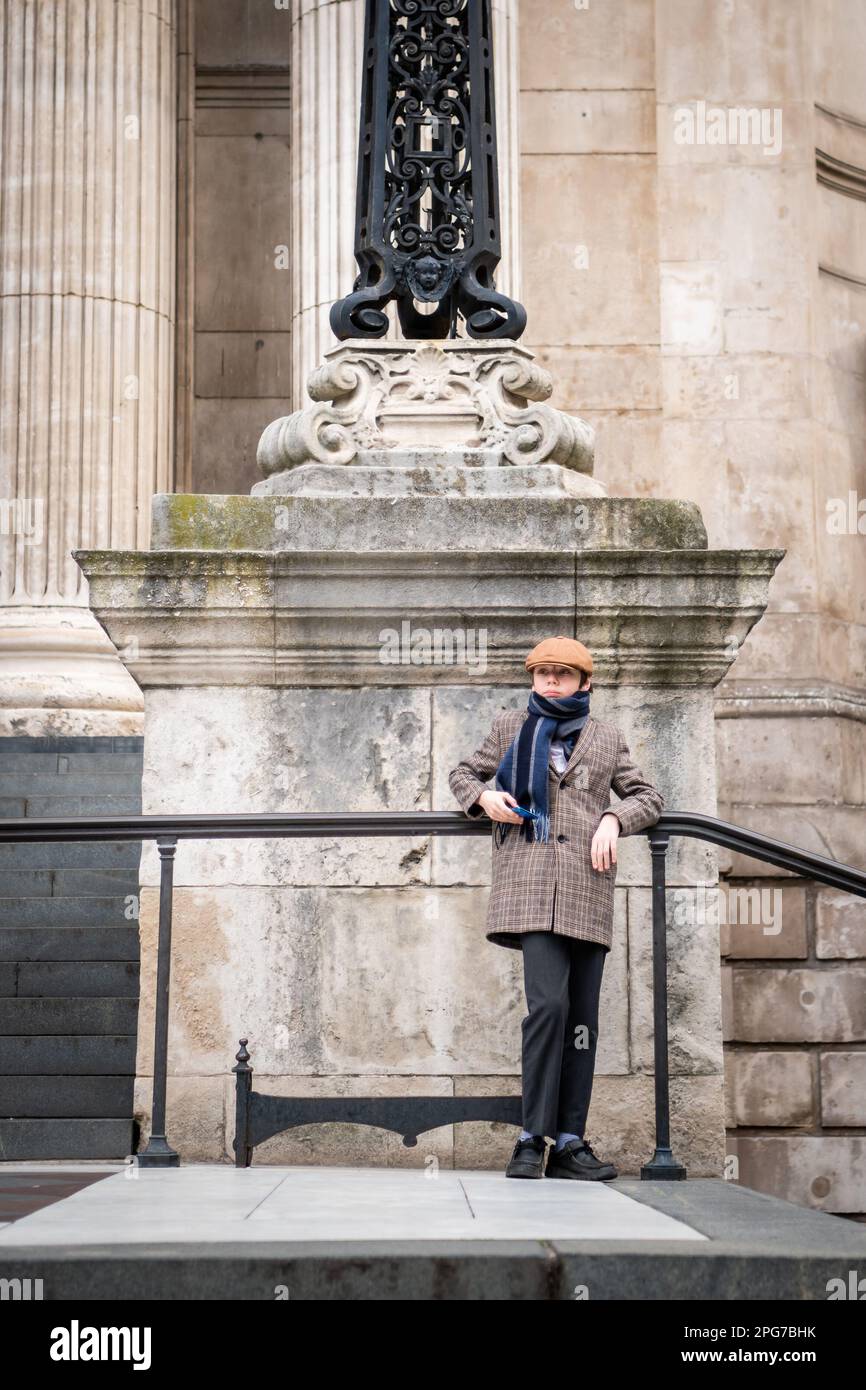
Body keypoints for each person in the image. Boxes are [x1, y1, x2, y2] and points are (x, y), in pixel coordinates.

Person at [447, 636, 665, 1181]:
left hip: (587, 893)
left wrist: (614, 819)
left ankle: (569, 1141)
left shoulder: (607, 737)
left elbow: (648, 797)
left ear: (584, 683)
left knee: (582, 1021)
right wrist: (483, 798)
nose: (550, 683)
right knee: (548, 1009)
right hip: (529, 889)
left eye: (562, 675)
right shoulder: (510, 727)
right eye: (542, 673)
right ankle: (530, 1138)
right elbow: (463, 774)